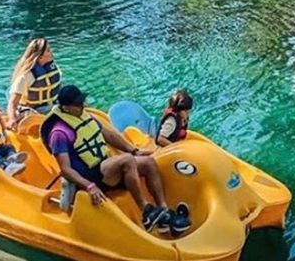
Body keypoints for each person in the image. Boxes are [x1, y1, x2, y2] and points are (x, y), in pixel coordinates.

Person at [41, 85, 190, 234]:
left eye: (82, 102)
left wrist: (134, 150)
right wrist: (89, 186)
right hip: (90, 176)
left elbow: (109, 136)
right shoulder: (59, 133)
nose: (82, 106)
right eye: (78, 104)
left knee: (149, 162)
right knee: (127, 160)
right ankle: (145, 211)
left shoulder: (84, 116)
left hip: (106, 168)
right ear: (66, 108)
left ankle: (163, 211)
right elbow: (65, 169)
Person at [7, 37, 63, 128]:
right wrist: (12, 119)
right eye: (48, 50)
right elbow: (13, 103)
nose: (52, 52)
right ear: (40, 56)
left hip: (52, 105)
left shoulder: (53, 69)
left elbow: (59, 89)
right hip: (32, 110)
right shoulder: (26, 76)